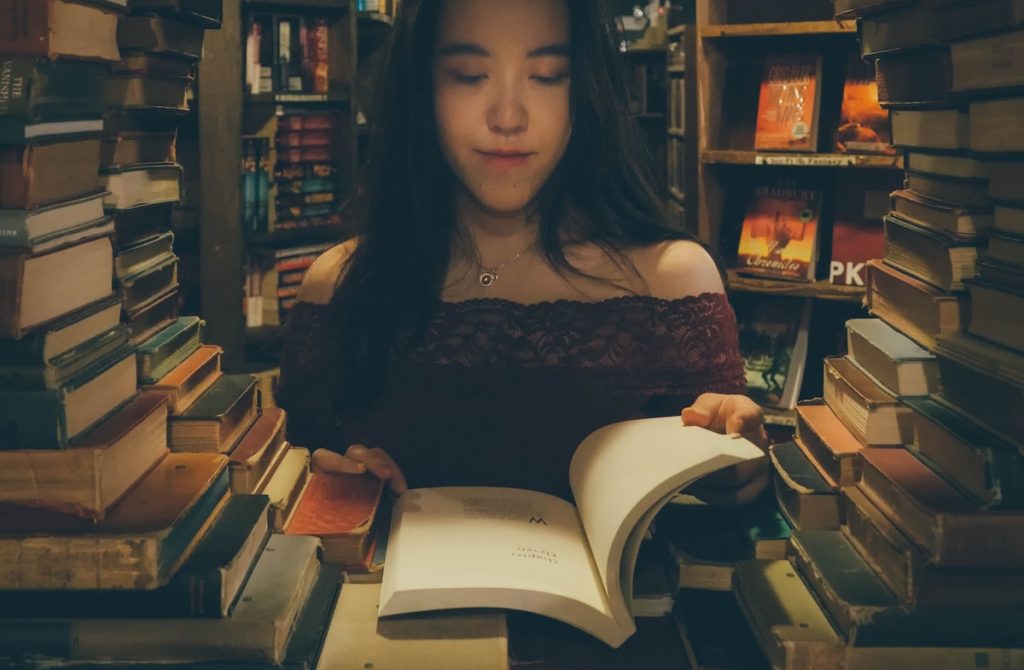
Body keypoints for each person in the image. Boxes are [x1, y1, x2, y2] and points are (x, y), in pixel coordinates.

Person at [278, 0, 770, 507]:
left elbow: (727, 501)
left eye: (547, 76)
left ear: (588, 89)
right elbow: (292, 485)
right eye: (469, 76)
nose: (508, 117)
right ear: (421, 88)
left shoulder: (671, 283)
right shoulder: (338, 285)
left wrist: (741, 466)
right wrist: (332, 487)